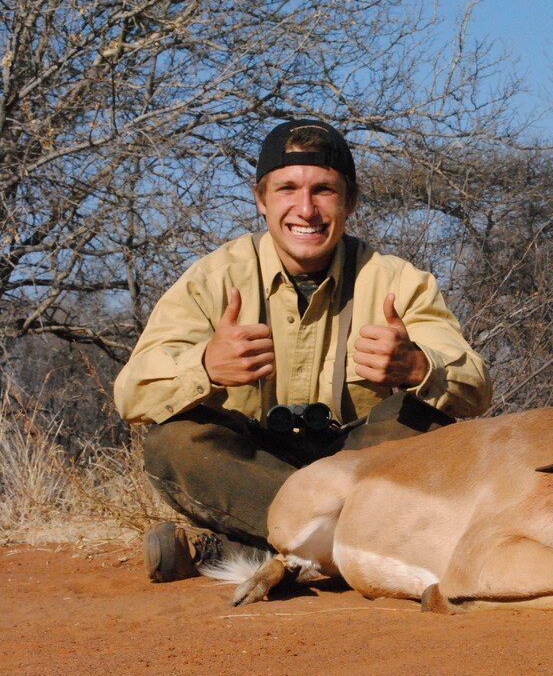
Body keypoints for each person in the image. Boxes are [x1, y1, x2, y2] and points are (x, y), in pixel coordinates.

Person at [114, 119, 492, 582]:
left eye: (324, 191)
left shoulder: (398, 281)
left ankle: (252, 550)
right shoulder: (213, 278)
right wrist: (205, 366)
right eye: (287, 189)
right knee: (174, 443)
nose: (306, 209)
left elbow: (477, 389)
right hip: (253, 464)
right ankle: (359, 550)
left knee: (429, 426)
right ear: (261, 199)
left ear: (350, 200)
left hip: (355, 465)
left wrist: (416, 366)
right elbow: (131, 394)